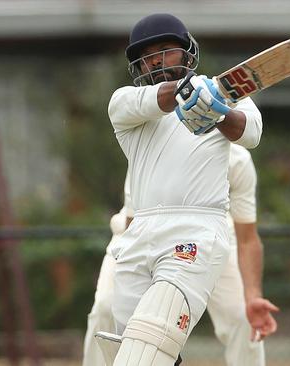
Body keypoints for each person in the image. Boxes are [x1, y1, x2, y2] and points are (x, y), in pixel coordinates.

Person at [103, 13, 277, 365]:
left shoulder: (227, 95)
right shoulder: (125, 104)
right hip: (139, 235)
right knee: (134, 348)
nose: (156, 60)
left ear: (187, 53)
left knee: (149, 343)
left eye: (166, 50)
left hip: (196, 231)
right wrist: (188, 93)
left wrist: (219, 111)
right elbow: (160, 99)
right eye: (147, 56)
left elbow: (251, 133)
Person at [82, 144, 274, 366]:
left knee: (243, 317)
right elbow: (133, 224)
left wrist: (253, 296)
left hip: (211, 239)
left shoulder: (237, 160)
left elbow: (247, 237)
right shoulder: (149, 147)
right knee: (107, 306)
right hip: (139, 234)